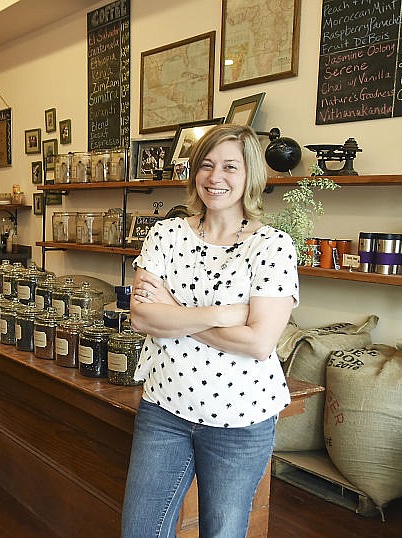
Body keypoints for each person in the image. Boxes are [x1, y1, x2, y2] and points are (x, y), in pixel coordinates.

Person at [122, 124, 298, 538]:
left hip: (241, 420)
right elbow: (142, 317)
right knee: (140, 530)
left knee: (222, 531)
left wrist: (175, 311)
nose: (215, 178)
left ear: (250, 175)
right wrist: (223, 314)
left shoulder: (272, 246)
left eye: (230, 167)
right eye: (206, 165)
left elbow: (259, 342)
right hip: (164, 408)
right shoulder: (166, 232)